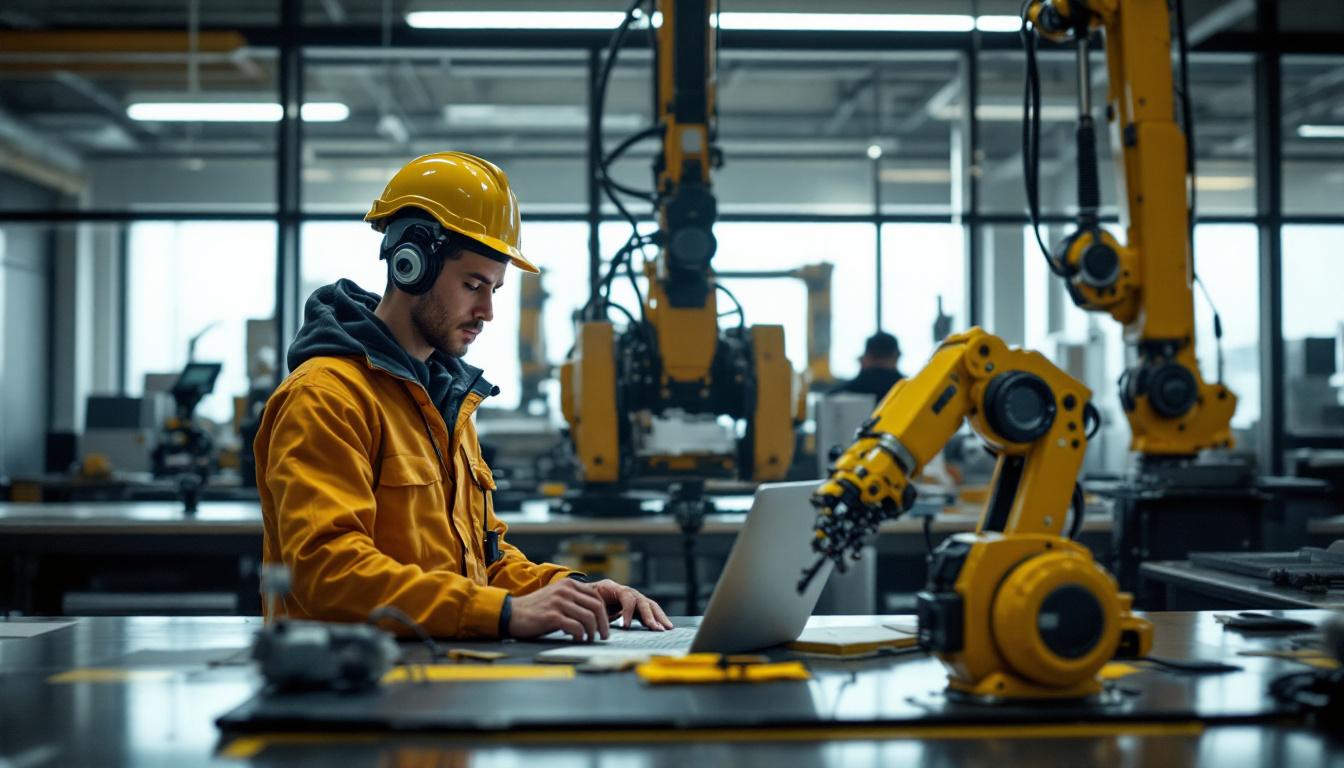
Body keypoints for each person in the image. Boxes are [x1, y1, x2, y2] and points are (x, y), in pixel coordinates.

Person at [255, 151, 670, 641]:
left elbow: (483, 564)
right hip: (345, 689)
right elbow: (328, 571)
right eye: (474, 285)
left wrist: (572, 588)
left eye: (494, 289)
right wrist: (502, 614)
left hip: (434, 674)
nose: (487, 311)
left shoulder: (444, 402)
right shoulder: (327, 397)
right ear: (412, 266)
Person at [831, 331, 905, 400]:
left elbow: (829, 396)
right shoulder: (905, 389)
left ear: (867, 356)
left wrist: (862, 371)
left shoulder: (853, 388)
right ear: (897, 356)